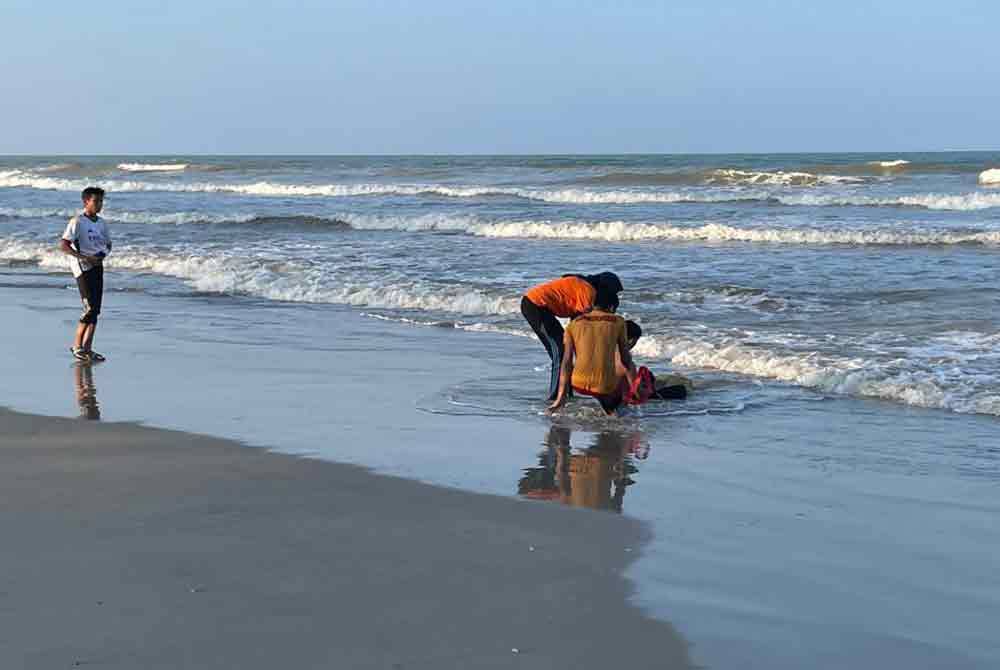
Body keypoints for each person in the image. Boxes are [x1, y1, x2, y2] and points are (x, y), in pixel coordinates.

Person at [521, 271, 623, 400]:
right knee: (560, 352)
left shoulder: (585, 286)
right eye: (613, 293)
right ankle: (555, 397)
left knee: (562, 351)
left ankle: (566, 393)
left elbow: (577, 325)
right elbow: (582, 326)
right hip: (535, 305)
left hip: (540, 306)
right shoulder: (588, 293)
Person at [548, 286, 636, 415]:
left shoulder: (573, 324)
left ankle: (608, 408)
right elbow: (625, 360)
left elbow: (566, 363)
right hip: (604, 386)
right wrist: (635, 389)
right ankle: (617, 411)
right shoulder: (618, 321)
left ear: (592, 305)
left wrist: (560, 398)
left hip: (578, 384)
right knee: (625, 375)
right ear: (612, 308)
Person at [60, 187, 111, 362]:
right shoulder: (77, 221)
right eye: (96, 201)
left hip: (97, 265)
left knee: (96, 310)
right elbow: (64, 245)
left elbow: (108, 244)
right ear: (86, 202)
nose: (99, 204)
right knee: (89, 308)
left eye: (101, 201)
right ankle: (77, 346)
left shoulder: (102, 223)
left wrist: (100, 256)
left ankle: (87, 348)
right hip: (82, 267)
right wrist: (85, 258)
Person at [618, 320, 694, 402]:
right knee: (681, 389)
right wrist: (647, 391)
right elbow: (638, 394)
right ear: (632, 340)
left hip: (615, 395)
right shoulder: (626, 360)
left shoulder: (611, 353)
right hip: (623, 398)